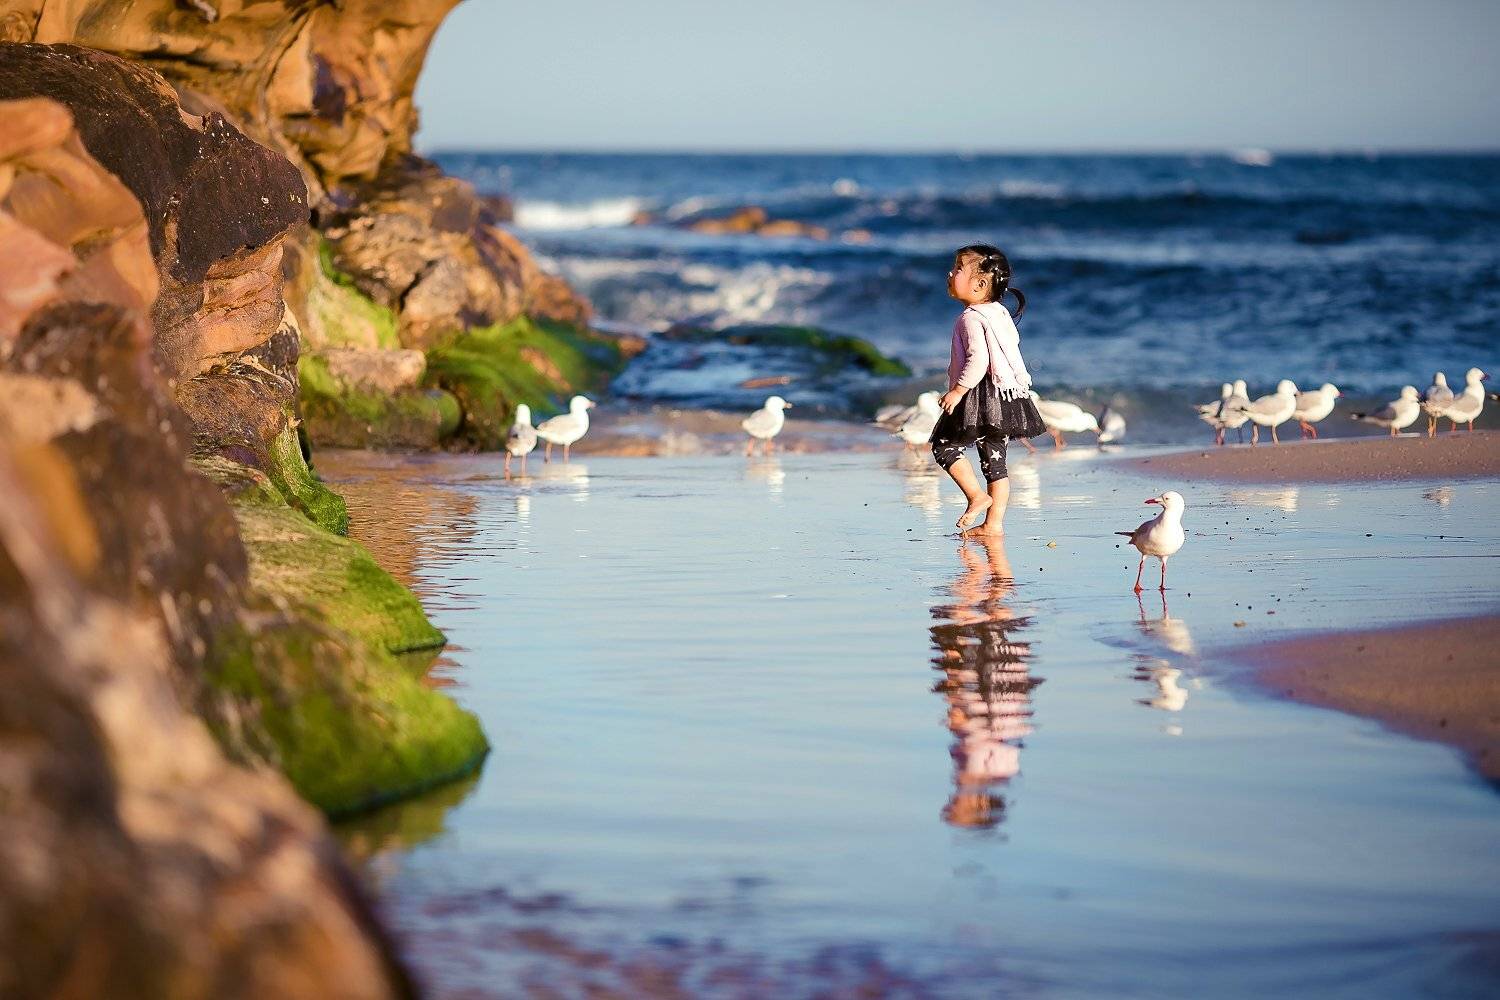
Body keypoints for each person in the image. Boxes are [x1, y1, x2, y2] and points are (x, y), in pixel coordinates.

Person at [930, 244, 1046, 534]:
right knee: (995, 462)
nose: (950, 273)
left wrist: (958, 391)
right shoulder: (999, 312)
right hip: (1005, 394)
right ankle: (993, 525)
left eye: (958, 269)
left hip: (980, 396)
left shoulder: (970, 317)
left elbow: (978, 360)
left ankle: (976, 496)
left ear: (980, 285)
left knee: (944, 446)